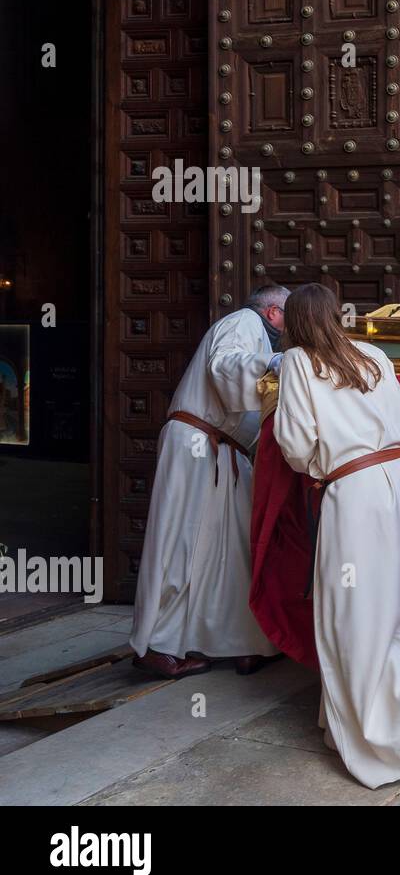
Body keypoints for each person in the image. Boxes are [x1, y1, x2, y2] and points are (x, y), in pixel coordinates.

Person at [273, 283, 400, 788]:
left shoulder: (297, 361)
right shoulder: (375, 352)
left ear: (294, 323)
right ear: (337, 315)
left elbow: (294, 442)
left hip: (354, 492)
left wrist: (317, 466)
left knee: (353, 617)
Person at [130, 285, 286, 679]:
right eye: (289, 315)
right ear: (271, 313)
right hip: (197, 447)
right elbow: (226, 367)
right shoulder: (243, 322)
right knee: (182, 541)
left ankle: (245, 644)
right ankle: (157, 644)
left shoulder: (257, 334)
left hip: (224, 454)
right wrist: (275, 366)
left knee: (232, 550)